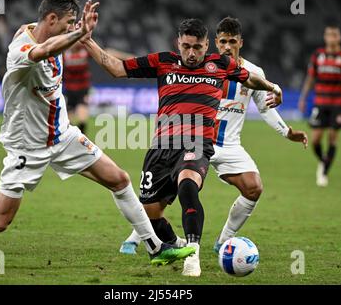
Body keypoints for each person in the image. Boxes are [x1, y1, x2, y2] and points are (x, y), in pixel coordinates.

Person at [0, 0, 195, 272]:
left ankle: (154, 247)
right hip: (27, 147)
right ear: (51, 19)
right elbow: (43, 51)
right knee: (0, 221)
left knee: (119, 179)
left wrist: (80, 35)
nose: (72, 28)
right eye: (68, 23)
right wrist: (78, 35)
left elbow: (57, 44)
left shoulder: (51, 33)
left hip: (63, 135)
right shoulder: (21, 50)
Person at [82, 18, 283, 277]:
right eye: (186, 46)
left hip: (197, 141)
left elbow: (249, 78)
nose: (191, 53)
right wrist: (87, 40)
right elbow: (117, 68)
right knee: (150, 214)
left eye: (197, 47)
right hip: (162, 146)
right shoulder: (163, 61)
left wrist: (272, 88)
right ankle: (176, 244)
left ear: (206, 45)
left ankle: (193, 254)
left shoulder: (220, 65)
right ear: (178, 43)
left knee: (188, 185)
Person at [119, 16, 308, 259]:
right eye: (222, 42)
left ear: (241, 42)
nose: (227, 47)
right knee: (168, 194)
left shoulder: (252, 73)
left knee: (253, 187)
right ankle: (138, 237)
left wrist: (286, 132)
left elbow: (265, 108)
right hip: (196, 140)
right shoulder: (204, 68)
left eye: (232, 42)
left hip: (229, 145)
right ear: (214, 44)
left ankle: (223, 241)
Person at [299, 25, 341, 186]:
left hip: (338, 103)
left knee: (333, 138)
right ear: (325, 37)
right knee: (315, 140)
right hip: (320, 101)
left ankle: (324, 172)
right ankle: (324, 160)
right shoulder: (318, 55)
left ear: (339, 38)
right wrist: (303, 98)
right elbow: (310, 79)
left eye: (335, 34)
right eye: (329, 34)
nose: (332, 37)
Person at [63, 42, 134, 134]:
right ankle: (70, 139)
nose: (76, 42)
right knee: (67, 122)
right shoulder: (63, 53)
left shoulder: (85, 51)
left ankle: (81, 139)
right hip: (68, 90)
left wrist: (127, 57)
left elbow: (106, 52)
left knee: (82, 119)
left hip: (83, 89)